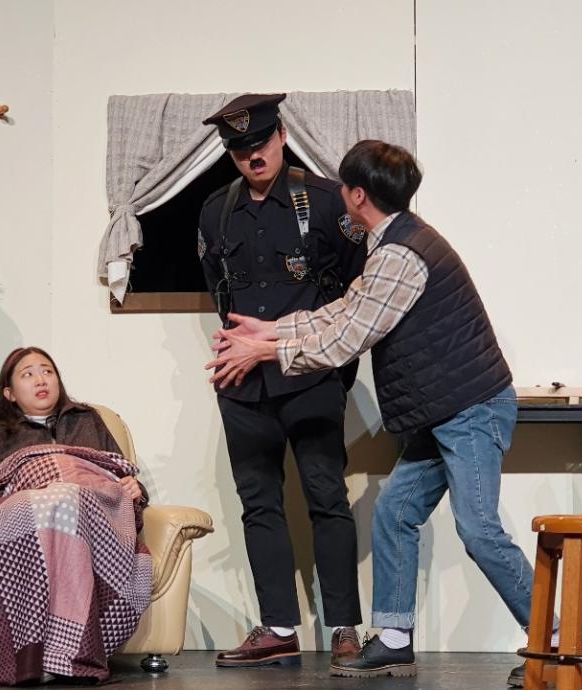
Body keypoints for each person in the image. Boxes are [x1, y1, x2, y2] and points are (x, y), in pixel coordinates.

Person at [206, 139, 538, 683]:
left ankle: (552, 640)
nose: (340, 193)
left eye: (344, 187)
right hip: (441, 411)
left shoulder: (400, 256)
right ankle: (394, 640)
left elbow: (346, 340)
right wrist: (272, 329)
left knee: (478, 529)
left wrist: (264, 352)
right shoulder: (393, 243)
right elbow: (345, 309)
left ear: (357, 196)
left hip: (470, 408)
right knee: (395, 512)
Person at [198, 93, 367, 669]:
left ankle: (344, 627)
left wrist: (334, 371)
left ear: (282, 138)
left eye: (260, 143)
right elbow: (218, 287)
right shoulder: (215, 211)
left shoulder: (324, 200)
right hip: (242, 384)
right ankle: (277, 627)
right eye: (239, 148)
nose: (252, 155)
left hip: (310, 377)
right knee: (259, 505)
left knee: (327, 497)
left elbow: (355, 294)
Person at [0, 346, 151, 686]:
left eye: (47, 371)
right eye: (27, 374)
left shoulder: (87, 420)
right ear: (9, 393)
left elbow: (116, 474)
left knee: (71, 497)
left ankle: (62, 655)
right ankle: (63, 656)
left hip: (96, 516)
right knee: (61, 500)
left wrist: (134, 489)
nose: (41, 380)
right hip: (37, 512)